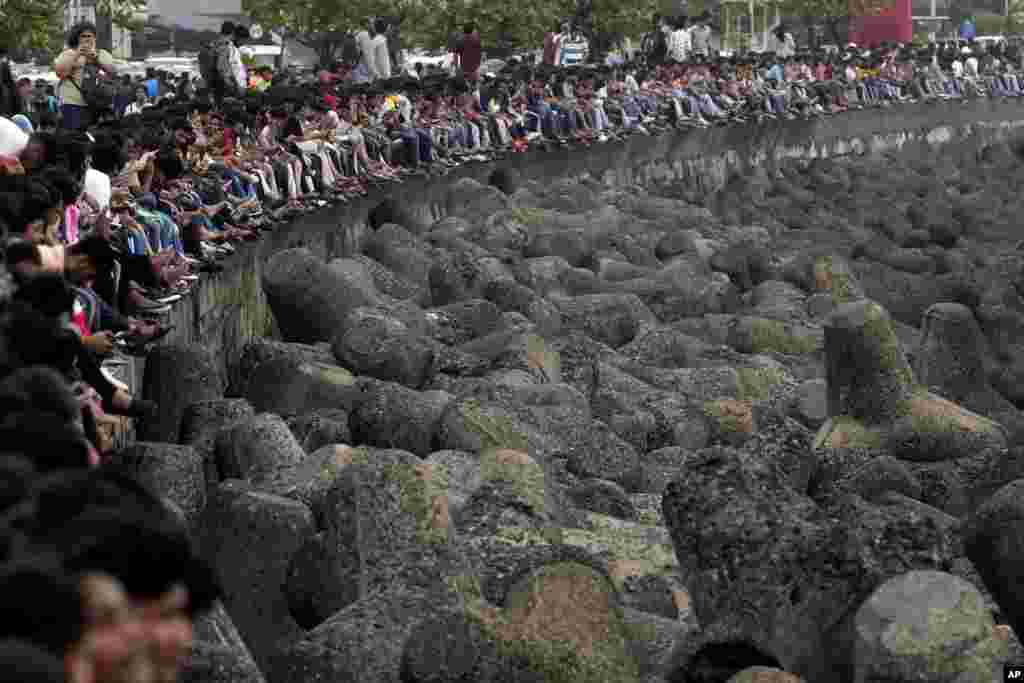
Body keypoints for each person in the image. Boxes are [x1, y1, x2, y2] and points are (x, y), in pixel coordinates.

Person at [53, 22, 119, 131]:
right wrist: (77, 54)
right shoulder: (68, 53)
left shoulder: (102, 53)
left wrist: (97, 59)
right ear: (77, 38)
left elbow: (114, 73)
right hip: (72, 103)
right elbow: (60, 73)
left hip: (97, 103)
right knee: (75, 137)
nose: (87, 39)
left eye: (90, 36)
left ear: (95, 38)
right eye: (83, 36)